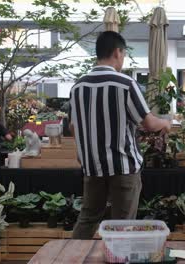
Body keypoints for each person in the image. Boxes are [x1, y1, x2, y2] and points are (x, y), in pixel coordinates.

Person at [69, 31, 171, 239]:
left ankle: (73, 257)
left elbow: (73, 126)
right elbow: (149, 123)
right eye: (123, 54)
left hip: (92, 166)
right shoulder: (125, 84)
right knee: (122, 224)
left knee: (88, 217)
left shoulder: (77, 87)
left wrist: (83, 150)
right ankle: (117, 257)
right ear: (117, 52)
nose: (123, 60)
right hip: (123, 165)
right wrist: (166, 123)